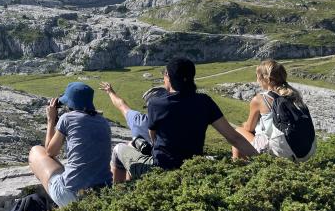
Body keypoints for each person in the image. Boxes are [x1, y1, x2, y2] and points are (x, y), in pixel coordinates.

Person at [100, 58, 258, 183]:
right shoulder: (204, 101)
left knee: (119, 149)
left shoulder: (157, 104)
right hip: (191, 166)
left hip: (161, 168)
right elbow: (234, 137)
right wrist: (263, 162)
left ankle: (121, 194)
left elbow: (153, 136)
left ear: (168, 77)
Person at [28, 82, 112, 207]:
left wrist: (51, 120)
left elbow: (50, 152)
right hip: (103, 193)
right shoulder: (103, 122)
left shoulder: (67, 118)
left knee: (36, 151)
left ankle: (58, 204)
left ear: (70, 103)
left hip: (72, 194)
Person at [232, 59, 316, 161]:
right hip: (305, 153)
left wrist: (245, 124)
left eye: (258, 77)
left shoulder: (259, 99)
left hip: (279, 152)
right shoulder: (294, 95)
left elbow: (249, 128)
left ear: (265, 79)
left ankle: (238, 165)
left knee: (238, 132)